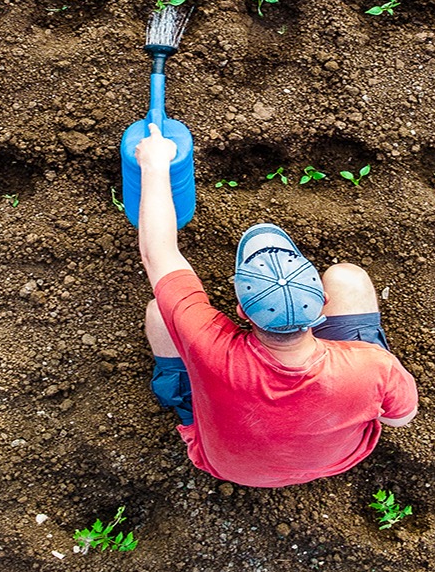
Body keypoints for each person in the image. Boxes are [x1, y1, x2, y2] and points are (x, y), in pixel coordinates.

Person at [133, 122, 418, 488]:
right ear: (322, 308)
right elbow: (398, 419)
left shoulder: (209, 344)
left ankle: (184, 390)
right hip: (338, 460)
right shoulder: (374, 367)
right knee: (349, 276)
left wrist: (154, 166)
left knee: (162, 312)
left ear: (238, 312)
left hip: (229, 468)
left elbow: (158, 254)